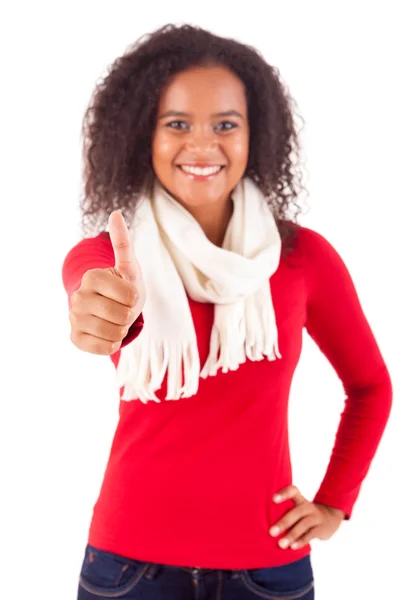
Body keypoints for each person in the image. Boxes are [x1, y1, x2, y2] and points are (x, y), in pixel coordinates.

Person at [62, 23, 392, 600]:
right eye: (177, 124)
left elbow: (370, 384)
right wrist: (101, 310)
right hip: (127, 570)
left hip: (268, 570)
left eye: (225, 125)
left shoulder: (303, 258)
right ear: (144, 135)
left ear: (252, 136)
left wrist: (337, 501)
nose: (202, 146)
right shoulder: (115, 255)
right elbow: (89, 289)